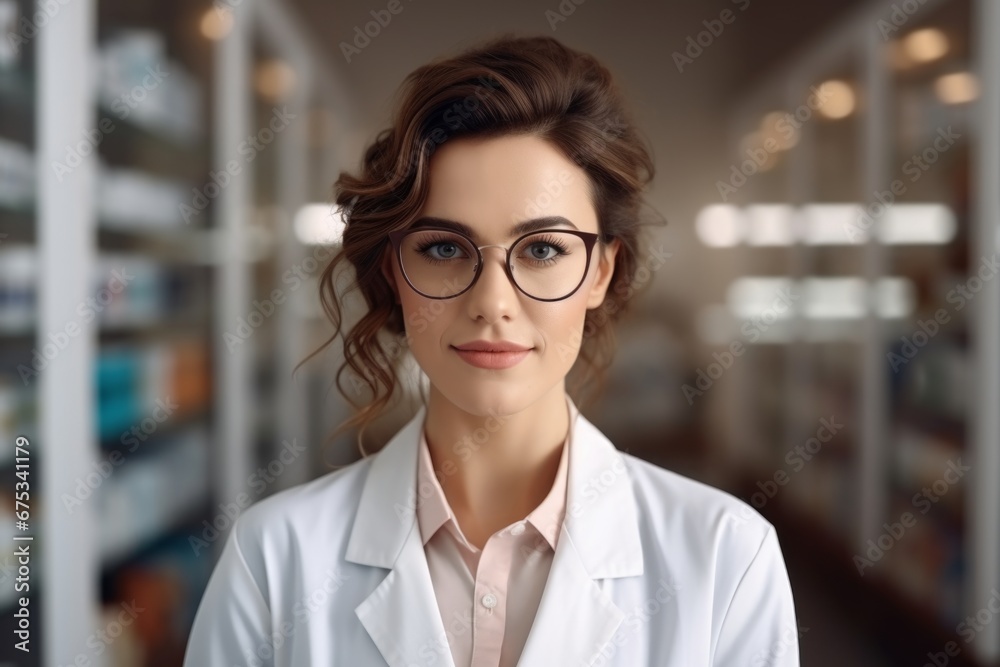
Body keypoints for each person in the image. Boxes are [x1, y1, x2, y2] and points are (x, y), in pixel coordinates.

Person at [183, 33, 800, 667]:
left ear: (600, 274)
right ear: (394, 270)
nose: (492, 303)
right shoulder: (274, 559)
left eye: (542, 250)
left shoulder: (728, 559)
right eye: (445, 249)